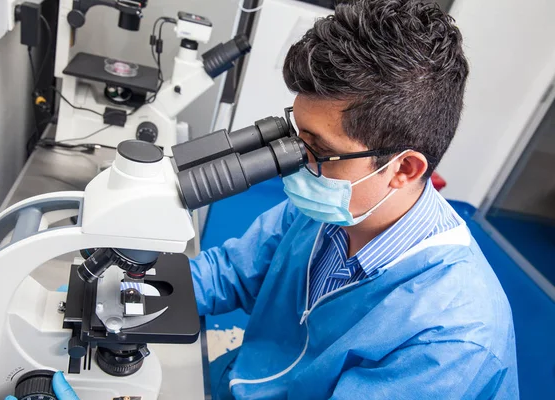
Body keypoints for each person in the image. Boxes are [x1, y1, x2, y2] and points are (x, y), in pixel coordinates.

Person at [190, 1, 518, 399]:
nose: (296, 164)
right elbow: (230, 272)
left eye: (318, 150)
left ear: (404, 169)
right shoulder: (333, 204)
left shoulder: (450, 338)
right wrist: (130, 286)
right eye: (297, 138)